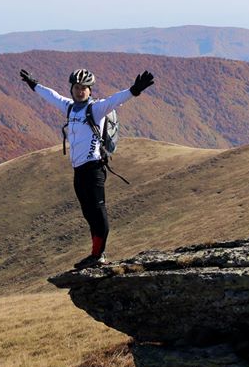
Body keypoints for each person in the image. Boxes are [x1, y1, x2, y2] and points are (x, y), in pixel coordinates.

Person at [19, 67, 155, 268]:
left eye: (84, 88)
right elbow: (52, 96)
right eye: (77, 87)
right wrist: (33, 84)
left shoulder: (96, 109)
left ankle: (98, 255)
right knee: (88, 213)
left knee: (98, 211)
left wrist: (134, 90)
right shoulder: (69, 107)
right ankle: (96, 254)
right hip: (78, 171)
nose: (80, 91)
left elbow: (115, 100)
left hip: (93, 169)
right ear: (72, 89)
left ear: (90, 90)